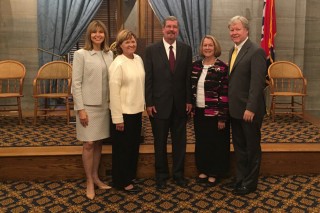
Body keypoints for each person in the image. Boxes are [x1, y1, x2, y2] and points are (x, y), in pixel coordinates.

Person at [144, 16, 193, 189]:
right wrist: (148, 102)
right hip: (159, 105)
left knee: (180, 143)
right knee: (160, 142)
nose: (171, 30)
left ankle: (179, 175)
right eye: (169, 27)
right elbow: (148, 79)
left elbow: (187, 78)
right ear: (163, 29)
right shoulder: (151, 50)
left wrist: (189, 100)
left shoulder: (186, 50)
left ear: (178, 30)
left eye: (174, 27)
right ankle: (161, 175)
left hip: (180, 105)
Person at [72, 20, 113, 200]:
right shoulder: (81, 54)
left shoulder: (109, 54)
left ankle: (96, 177)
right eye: (94, 32)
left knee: (98, 143)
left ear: (105, 34)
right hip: (87, 107)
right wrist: (80, 109)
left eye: (101, 32)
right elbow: (76, 83)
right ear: (89, 35)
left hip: (104, 106)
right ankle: (89, 180)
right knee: (88, 143)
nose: (98, 35)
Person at [227, 16, 267, 195]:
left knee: (252, 149)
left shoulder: (256, 51)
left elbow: (257, 84)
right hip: (235, 110)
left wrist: (250, 108)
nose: (234, 33)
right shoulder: (232, 50)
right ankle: (241, 178)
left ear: (247, 31)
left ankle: (250, 184)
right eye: (232, 30)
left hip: (249, 111)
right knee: (240, 148)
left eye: (237, 29)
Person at [109, 29, 145, 193]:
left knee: (132, 147)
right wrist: (118, 118)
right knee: (122, 150)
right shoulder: (118, 63)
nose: (131, 44)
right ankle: (121, 181)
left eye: (133, 41)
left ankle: (128, 176)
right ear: (120, 45)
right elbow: (113, 93)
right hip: (122, 115)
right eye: (127, 42)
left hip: (136, 112)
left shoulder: (138, 59)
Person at [191, 35, 230, 186]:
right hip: (199, 112)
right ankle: (203, 169)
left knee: (216, 144)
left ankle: (215, 172)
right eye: (205, 45)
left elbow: (224, 93)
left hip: (215, 113)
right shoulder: (195, 66)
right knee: (202, 142)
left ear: (215, 48)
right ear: (201, 48)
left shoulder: (222, 67)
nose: (207, 48)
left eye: (210, 45)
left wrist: (222, 117)